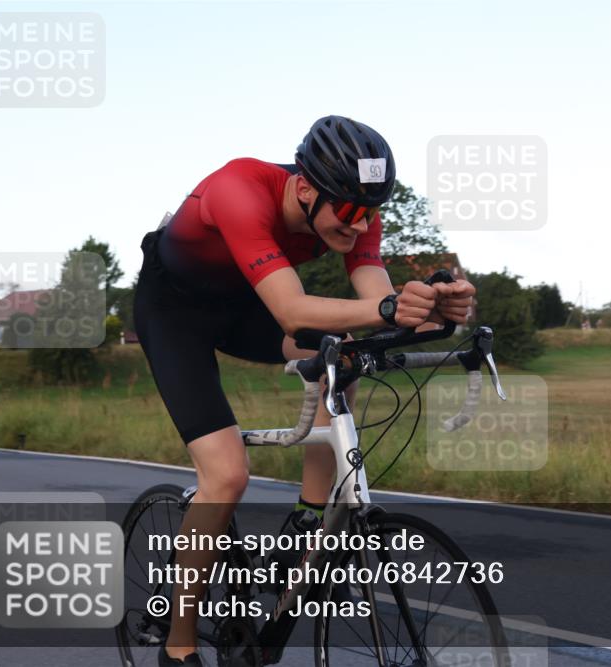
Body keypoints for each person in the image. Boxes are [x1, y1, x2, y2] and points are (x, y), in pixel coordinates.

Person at [133, 115, 475, 666]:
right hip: (175, 314)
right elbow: (293, 310)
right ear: (305, 189)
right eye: (351, 212)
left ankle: (308, 523)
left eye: (371, 213)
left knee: (345, 352)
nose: (361, 226)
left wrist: (436, 310)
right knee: (226, 474)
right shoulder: (240, 188)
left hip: (246, 308)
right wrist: (392, 308)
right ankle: (178, 644)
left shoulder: (355, 212)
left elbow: (381, 306)